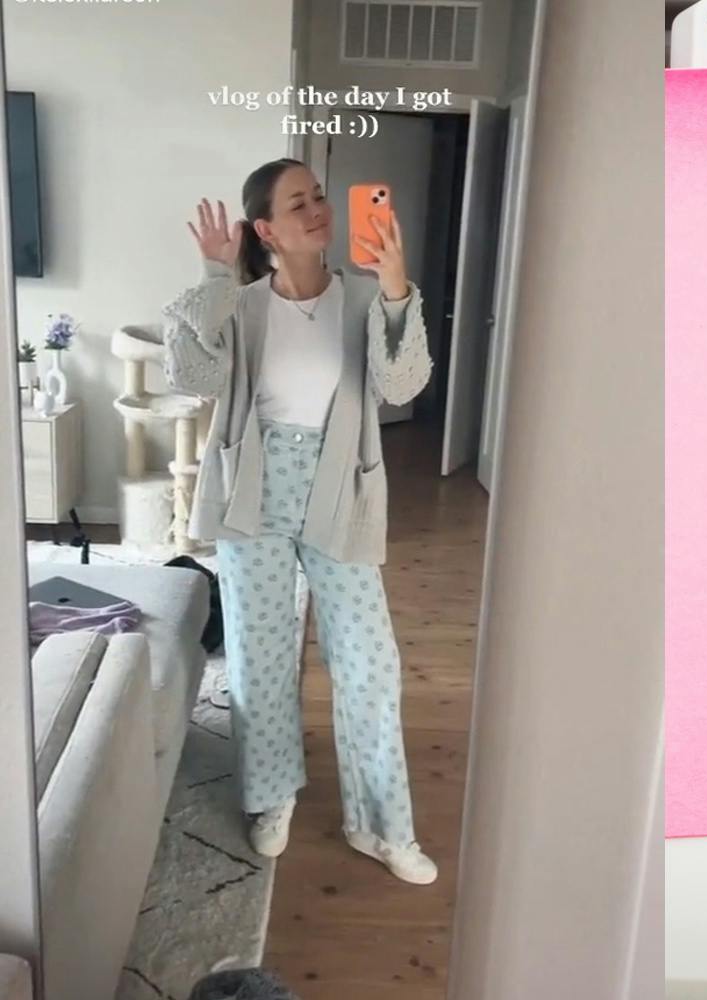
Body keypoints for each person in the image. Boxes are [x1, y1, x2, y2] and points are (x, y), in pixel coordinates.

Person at [162, 158, 437, 884]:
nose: (318, 209)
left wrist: (395, 287)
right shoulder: (244, 307)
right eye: (298, 203)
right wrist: (217, 276)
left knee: (370, 663)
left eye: (320, 197)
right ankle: (272, 796)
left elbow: (404, 383)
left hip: (339, 490)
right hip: (252, 494)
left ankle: (380, 824)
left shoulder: (363, 301)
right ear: (267, 229)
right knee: (259, 654)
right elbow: (190, 379)